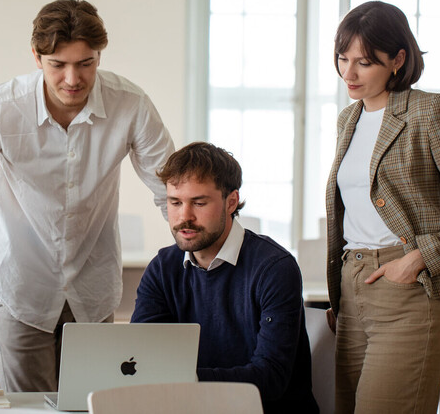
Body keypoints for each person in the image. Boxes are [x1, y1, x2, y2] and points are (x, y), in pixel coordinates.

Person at [0, 0, 175, 392]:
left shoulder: (130, 105)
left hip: (93, 285)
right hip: (22, 285)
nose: (72, 79)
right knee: (27, 413)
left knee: (92, 405)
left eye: (86, 63)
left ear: (100, 56)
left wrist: (206, 257)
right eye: (58, 64)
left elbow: (170, 190)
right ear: (36, 56)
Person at [326, 1, 440, 414]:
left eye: (365, 62)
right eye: (342, 58)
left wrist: (420, 258)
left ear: (398, 59)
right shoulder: (347, 120)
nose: (348, 74)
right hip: (352, 295)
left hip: (411, 294)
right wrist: (343, 290)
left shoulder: (429, 111)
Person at [132, 142, 319, 414]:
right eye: (175, 202)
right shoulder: (163, 267)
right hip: (188, 406)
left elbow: (270, 379)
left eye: (199, 202)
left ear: (231, 202)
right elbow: (140, 358)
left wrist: (180, 380)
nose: (184, 217)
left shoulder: (274, 268)